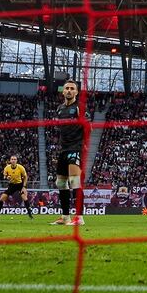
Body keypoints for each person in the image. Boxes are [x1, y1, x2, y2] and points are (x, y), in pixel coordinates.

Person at [50, 80, 86, 226]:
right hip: (63, 149)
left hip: (75, 148)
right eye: (67, 88)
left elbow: (88, 127)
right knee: (60, 182)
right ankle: (65, 217)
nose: (69, 91)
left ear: (77, 92)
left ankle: (79, 218)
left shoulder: (79, 108)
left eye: (72, 88)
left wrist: (83, 145)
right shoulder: (59, 109)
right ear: (63, 91)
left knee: (74, 181)